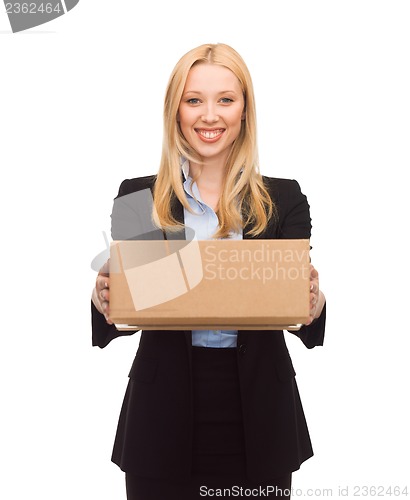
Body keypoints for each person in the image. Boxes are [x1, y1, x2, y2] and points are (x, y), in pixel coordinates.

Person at [91, 43, 326, 500]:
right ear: (175, 110)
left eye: (225, 99)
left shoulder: (285, 199)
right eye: (194, 99)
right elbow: (130, 307)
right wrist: (104, 300)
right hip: (161, 414)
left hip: (259, 412)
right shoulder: (139, 197)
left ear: (244, 111)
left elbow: (295, 302)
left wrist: (313, 304)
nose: (209, 115)